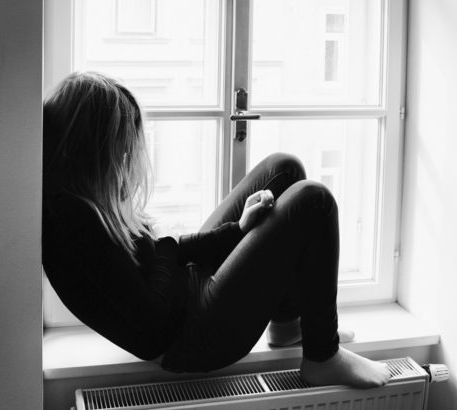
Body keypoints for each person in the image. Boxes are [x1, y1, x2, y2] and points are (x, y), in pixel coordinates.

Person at [42, 71, 390, 388]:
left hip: (190, 290)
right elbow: (152, 319)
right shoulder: (74, 224)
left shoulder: (81, 201)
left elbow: (165, 256)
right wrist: (165, 243)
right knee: (314, 200)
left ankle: (287, 324)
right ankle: (322, 356)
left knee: (283, 169)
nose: (127, 160)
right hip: (193, 336)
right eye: (120, 149)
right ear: (92, 152)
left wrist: (237, 230)